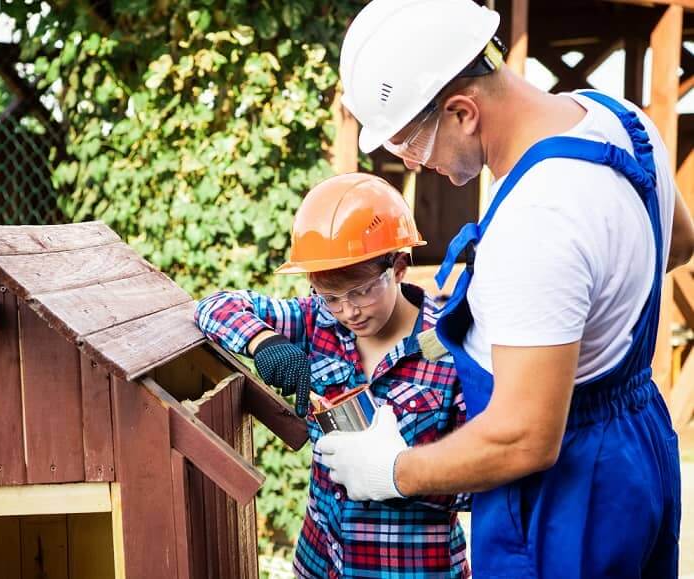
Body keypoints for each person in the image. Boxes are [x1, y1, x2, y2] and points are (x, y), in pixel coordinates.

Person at [316, 1, 694, 577]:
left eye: (411, 145)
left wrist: (391, 469)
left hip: (569, 498)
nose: (416, 166)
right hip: (639, 450)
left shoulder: (538, 217)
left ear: (462, 111)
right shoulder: (622, 121)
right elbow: (678, 240)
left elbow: (524, 438)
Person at [195, 173, 472, 578]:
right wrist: (264, 342)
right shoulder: (315, 323)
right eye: (332, 297)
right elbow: (214, 307)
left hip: (411, 569)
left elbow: (484, 481)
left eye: (360, 291)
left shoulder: (451, 350)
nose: (348, 311)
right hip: (319, 562)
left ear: (397, 267)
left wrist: (401, 471)